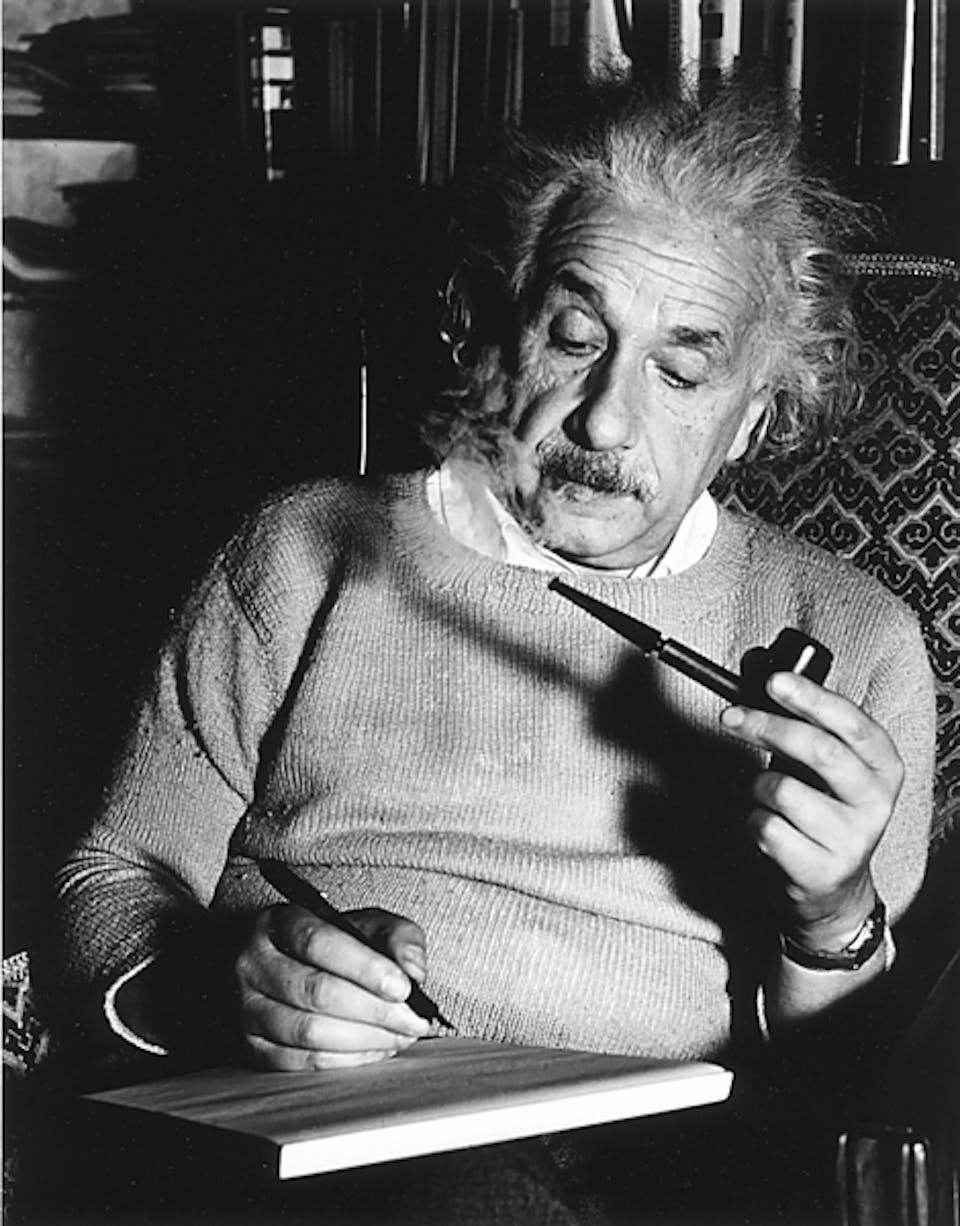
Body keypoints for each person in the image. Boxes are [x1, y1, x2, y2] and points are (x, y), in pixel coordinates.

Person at [47, 79, 934, 1221]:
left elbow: (854, 1096)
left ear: (754, 418)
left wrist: (830, 918)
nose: (605, 419)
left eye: (679, 372)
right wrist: (211, 982)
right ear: (486, 325)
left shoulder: (854, 641)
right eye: (574, 338)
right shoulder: (303, 549)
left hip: (663, 1170)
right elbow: (109, 878)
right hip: (317, 1145)